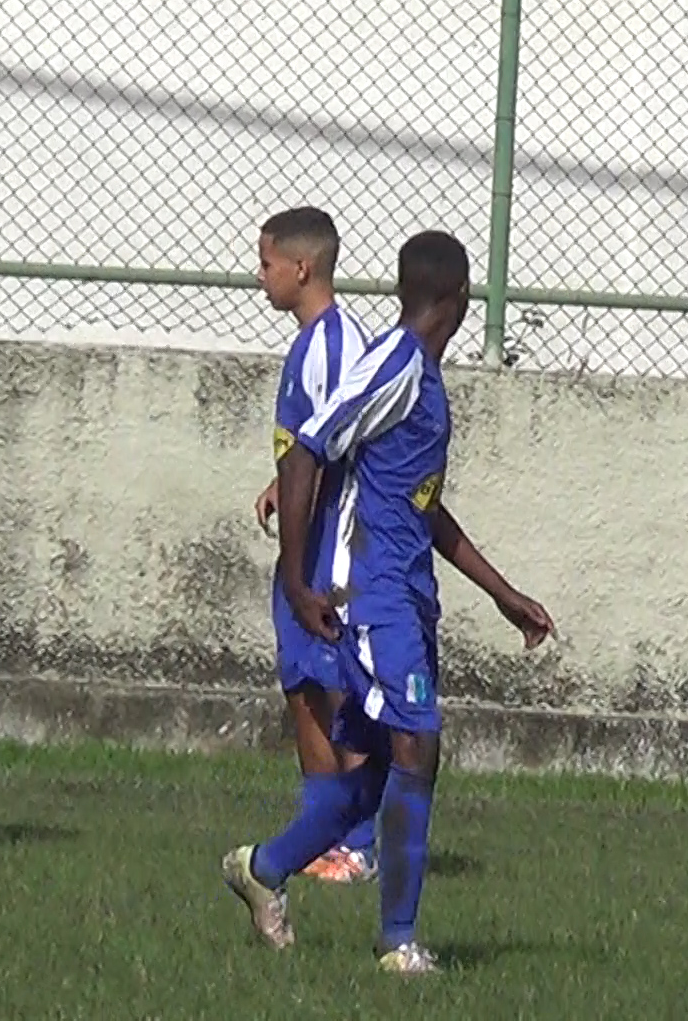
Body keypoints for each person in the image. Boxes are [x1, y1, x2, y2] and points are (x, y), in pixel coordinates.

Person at [222, 230, 555, 974]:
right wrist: (298, 580)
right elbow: (307, 447)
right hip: (374, 596)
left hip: (407, 593)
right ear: (461, 299)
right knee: (418, 743)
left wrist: (503, 594)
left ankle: (263, 867)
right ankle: (397, 941)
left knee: (375, 773)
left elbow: (423, 508)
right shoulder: (397, 364)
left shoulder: (422, 379)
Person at [253, 207, 378, 883]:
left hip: (334, 547)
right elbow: (307, 445)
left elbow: (344, 446)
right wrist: (281, 485)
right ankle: (320, 834)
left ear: (302, 268)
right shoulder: (308, 344)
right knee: (303, 688)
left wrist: (306, 554)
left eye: (267, 263)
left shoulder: (338, 344)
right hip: (304, 541)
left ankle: (360, 844)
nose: (260, 276)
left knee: (340, 692)